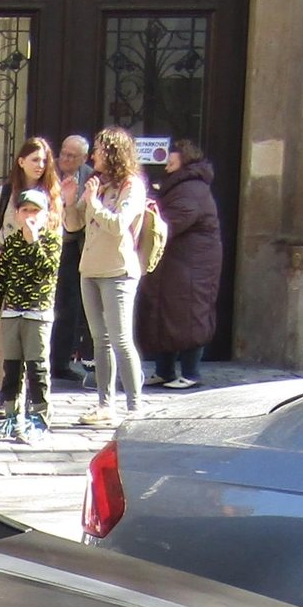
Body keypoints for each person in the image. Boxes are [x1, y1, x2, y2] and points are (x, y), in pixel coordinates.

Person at [71, 126, 150, 426]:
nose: (93, 156)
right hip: (89, 268)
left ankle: (135, 407)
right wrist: (70, 201)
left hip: (118, 271)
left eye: (99, 150)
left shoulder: (133, 186)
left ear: (113, 153)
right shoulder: (99, 185)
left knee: (120, 338)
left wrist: (93, 203)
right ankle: (105, 404)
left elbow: (118, 225)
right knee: (99, 340)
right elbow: (74, 224)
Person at [0, 135, 53, 395]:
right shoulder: (4, 193)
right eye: (34, 159)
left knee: (34, 339)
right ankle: (4, 396)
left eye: (43, 160)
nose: (40, 165)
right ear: (21, 161)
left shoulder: (52, 195)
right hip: (6, 272)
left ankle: (34, 397)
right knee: (3, 336)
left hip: (38, 275)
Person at [0, 175, 62, 444]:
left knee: (37, 367)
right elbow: (1, 279)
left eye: (35, 210)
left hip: (37, 314)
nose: (30, 215)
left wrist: (34, 241)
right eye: (25, 210)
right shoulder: (11, 243)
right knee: (12, 368)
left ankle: (39, 418)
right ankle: (10, 416)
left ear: (45, 215)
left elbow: (47, 270)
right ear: (17, 214)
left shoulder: (51, 241)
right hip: (12, 313)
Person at [142, 137, 221, 389]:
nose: (166, 161)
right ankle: (164, 370)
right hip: (176, 263)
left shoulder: (191, 187)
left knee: (190, 314)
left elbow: (175, 219)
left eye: (171, 155)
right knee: (166, 313)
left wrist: (151, 216)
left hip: (192, 265)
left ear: (183, 157)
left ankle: (191, 372)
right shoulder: (178, 184)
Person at [51, 134, 91, 382]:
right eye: (63, 153)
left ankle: (61, 362)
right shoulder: (47, 170)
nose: (64, 159)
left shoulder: (90, 176)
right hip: (49, 244)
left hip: (76, 250)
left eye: (71, 156)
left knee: (70, 308)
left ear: (83, 158)